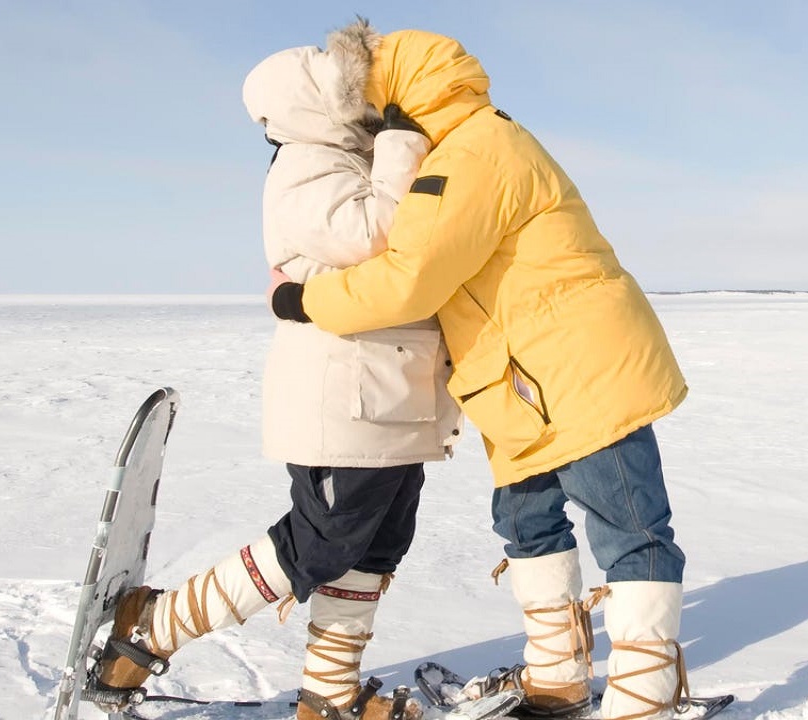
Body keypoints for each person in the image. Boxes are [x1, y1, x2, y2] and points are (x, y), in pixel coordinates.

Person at [269, 19, 692, 720]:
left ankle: (646, 695)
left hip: (581, 372)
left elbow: (411, 278)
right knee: (527, 525)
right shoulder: (467, 148)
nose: (365, 121)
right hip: (518, 385)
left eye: (368, 103)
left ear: (400, 94)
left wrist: (300, 298)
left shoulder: (476, 153)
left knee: (629, 526)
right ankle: (557, 677)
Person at [93, 28, 462, 720]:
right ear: (316, 104)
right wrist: (404, 143)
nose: (372, 103)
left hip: (394, 396)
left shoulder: (350, 158)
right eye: (353, 92)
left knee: (376, 545)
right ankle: (150, 627)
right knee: (321, 542)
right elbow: (376, 235)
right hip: (344, 401)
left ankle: (327, 694)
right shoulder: (305, 169)